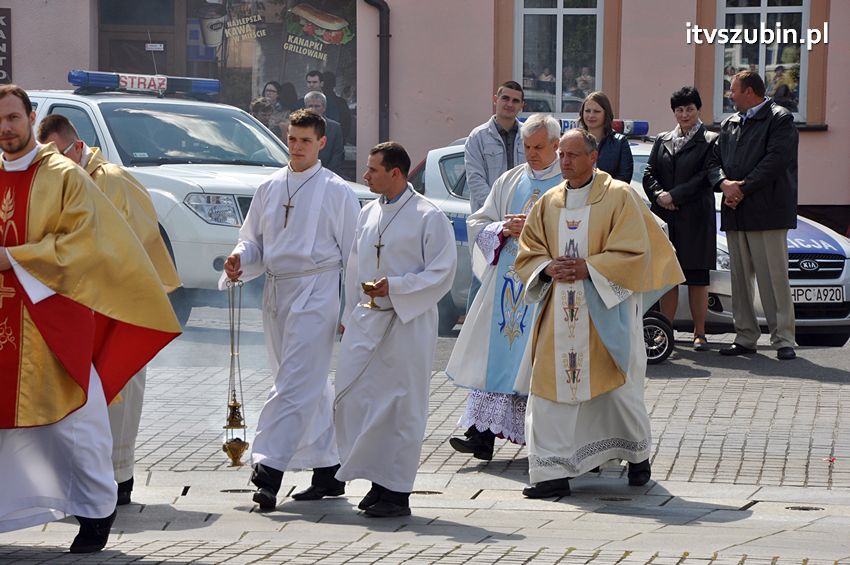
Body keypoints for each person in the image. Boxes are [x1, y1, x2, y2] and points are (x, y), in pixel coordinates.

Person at [0, 84, 180, 552]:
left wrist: (15, 258)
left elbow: (85, 243)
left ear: (31, 116)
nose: (6, 128)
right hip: (3, 318)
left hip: (51, 320)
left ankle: (96, 512)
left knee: (74, 423)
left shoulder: (63, 176)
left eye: (14, 118)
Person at [514, 128, 682, 499]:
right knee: (547, 395)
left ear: (593, 158)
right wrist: (546, 269)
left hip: (603, 311)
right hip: (558, 314)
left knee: (616, 393)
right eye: (562, 155)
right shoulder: (548, 202)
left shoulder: (620, 197)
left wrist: (589, 268)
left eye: (573, 155)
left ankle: (636, 456)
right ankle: (550, 472)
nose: (565, 161)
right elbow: (529, 249)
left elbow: (637, 252)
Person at [36, 114, 182, 506]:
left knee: (120, 391)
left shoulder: (112, 180)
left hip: (120, 305)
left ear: (77, 147)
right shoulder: (59, 182)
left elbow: (133, 243)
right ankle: (82, 475)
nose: (55, 166)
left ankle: (120, 477)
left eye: (59, 156)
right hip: (78, 304)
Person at [222, 109, 360, 511]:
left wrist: (351, 313)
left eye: (305, 140)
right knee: (306, 383)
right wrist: (239, 258)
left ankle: (268, 470)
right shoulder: (268, 186)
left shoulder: (337, 191)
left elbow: (354, 256)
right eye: (292, 139)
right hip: (277, 291)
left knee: (294, 383)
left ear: (321, 143)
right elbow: (253, 241)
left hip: (317, 292)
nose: (297, 147)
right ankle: (329, 470)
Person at [334, 142, 456, 518]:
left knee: (401, 407)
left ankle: (397, 491)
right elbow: (353, 265)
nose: (366, 175)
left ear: (396, 174)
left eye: (373, 170)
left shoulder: (428, 215)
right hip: (367, 318)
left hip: (408, 322)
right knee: (364, 402)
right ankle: (377, 481)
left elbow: (443, 272)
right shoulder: (368, 212)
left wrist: (397, 286)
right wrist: (347, 310)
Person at [446, 114, 563, 460]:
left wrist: (534, 229)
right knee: (492, 359)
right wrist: (500, 229)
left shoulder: (566, 184)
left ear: (556, 145)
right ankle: (480, 435)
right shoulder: (510, 180)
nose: (531, 153)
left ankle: (545, 442)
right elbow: (478, 221)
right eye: (526, 147)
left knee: (532, 365)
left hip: (544, 288)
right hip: (506, 288)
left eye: (539, 147)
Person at [707, 71, 798, 361]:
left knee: (774, 278)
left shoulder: (780, 118)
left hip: (768, 211)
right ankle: (745, 336)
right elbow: (713, 161)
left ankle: (783, 338)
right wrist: (723, 183)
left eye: (733, 90)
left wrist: (740, 189)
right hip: (736, 212)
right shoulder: (730, 123)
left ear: (750, 92)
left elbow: (776, 160)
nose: (729, 95)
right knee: (739, 280)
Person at [642, 87, 718, 351]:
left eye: (689, 109)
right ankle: (665, 331)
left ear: (699, 110)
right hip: (666, 218)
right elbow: (649, 173)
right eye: (679, 109)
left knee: (696, 278)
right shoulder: (662, 139)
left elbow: (706, 177)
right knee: (667, 277)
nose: (684, 114)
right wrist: (660, 195)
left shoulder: (710, 140)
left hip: (696, 218)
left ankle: (700, 333)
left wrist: (674, 195)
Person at [464, 80, 525, 307]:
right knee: (482, 279)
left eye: (515, 100)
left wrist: (519, 219)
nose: (509, 104)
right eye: (505, 98)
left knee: (518, 285)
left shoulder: (529, 136)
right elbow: (476, 181)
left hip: (521, 225)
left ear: (522, 106)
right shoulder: (477, 137)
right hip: (489, 223)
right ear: (495, 100)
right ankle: (471, 339)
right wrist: (501, 217)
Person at [577, 91, 633, 183]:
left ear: (606, 113)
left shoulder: (620, 143)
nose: (591, 115)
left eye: (596, 111)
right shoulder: (574, 141)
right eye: (587, 111)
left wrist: (602, 193)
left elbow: (624, 178)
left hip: (610, 195)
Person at [304, 91, 345, 176]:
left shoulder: (335, 127)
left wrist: (326, 173)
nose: (313, 109)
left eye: (317, 106)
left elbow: (338, 153)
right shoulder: (299, 127)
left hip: (329, 173)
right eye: (310, 106)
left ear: (324, 107)